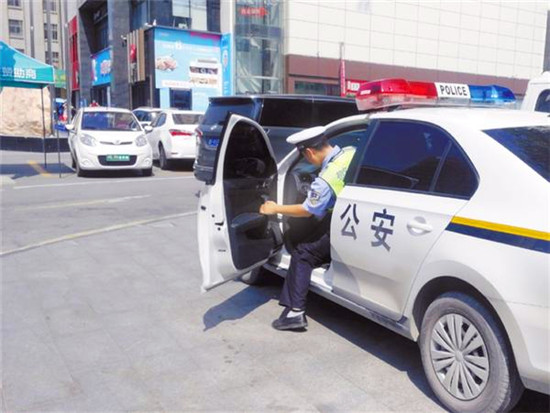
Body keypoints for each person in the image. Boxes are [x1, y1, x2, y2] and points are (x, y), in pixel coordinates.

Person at [259, 126, 356, 331]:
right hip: (352, 218)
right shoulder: (350, 152)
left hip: (339, 223)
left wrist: (275, 208)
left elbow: (307, 211)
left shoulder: (325, 180)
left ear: (310, 152)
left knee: (303, 254)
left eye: (305, 157)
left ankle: (295, 312)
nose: (308, 161)